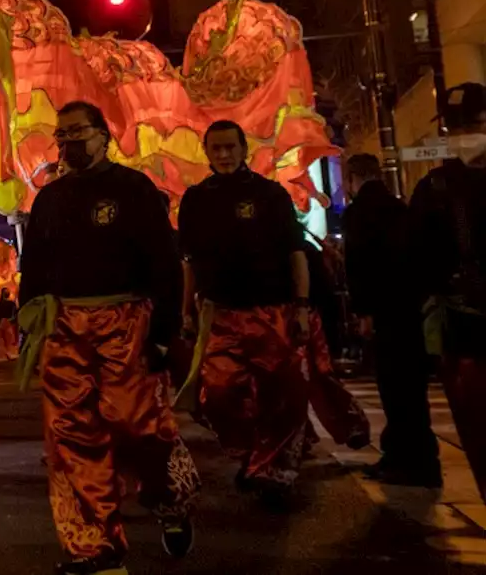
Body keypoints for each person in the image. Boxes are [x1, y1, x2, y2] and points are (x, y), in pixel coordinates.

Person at [18, 101, 199, 575]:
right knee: (72, 436)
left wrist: (161, 335)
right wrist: (30, 328)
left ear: (103, 134)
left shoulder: (133, 189)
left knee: (138, 427)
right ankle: (94, 546)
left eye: (78, 132)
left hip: (128, 322)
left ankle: (171, 498)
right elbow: (32, 270)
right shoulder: (49, 199)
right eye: (61, 135)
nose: (69, 142)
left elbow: (164, 263)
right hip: (64, 329)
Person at [178, 119, 310, 507]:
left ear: (243, 148)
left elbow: (295, 252)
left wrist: (301, 307)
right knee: (217, 395)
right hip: (219, 312)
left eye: (230, 147)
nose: (223, 154)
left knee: (280, 394)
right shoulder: (195, 199)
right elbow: (188, 263)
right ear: (206, 151)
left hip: (272, 309)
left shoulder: (270, 194)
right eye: (216, 148)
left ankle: (274, 470)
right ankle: (252, 453)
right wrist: (186, 311)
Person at [408, 82, 487, 506]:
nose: (466, 135)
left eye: (474, 124)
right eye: (457, 126)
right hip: (465, 330)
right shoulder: (436, 188)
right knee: (478, 431)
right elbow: (416, 263)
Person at [342, 153, 441, 486]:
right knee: (413, 388)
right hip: (410, 310)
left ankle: (404, 459)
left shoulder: (358, 213)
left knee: (394, 388)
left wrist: (363, 312)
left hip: (384, 311)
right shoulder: (400, 208)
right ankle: (422, 458)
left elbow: (358, 265)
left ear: (352, 177)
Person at [300, 237, 370, 454]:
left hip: (305, 319)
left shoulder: (301, 249)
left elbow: (323, 291)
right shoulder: (302, 248)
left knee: (318, 377)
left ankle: (350, 425)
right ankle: (303, 436)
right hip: (299, 318)